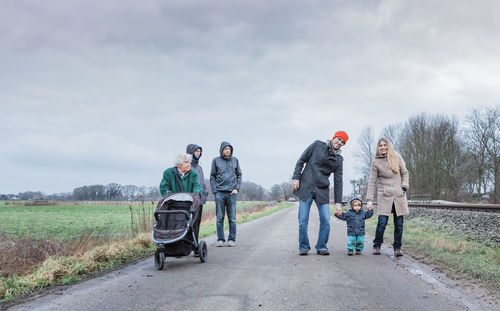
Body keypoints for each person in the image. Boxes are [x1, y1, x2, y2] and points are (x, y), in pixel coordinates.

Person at [292, 130, 348, 256]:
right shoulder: (317, 145)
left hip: (322, 190)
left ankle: (321, 246)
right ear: (334, 138)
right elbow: (301, 160)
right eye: (339, 139)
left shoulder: (338, 160)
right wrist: (296, 178)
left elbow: (338, 181)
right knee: (302, 220)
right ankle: (304, 247)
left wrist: (338, 202)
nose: (339, 142)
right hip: (306, 186)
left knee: (326, 220)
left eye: (343, 142)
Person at [366, 138, 409, 257]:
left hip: (399, 196)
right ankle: (377, 245)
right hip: (385, 196)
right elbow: (372, 181)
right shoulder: (376, 162)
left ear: (388, 146)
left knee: (399, 224)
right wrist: (369, 199)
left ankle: (397, 248)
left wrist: (404, 186)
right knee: (382, 223)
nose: (383, 147)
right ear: (378, 148)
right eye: (380, 145)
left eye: (385, 145)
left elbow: (405, 173)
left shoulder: (397, 157)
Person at [210, 141, 242, 247]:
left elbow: (239, 175)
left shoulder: (235, 160)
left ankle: (232, 239)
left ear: (231, 150)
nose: (227, 150)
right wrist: (215, 191)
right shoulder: (216, 161)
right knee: (220, 218)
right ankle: (220, 239)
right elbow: (212, 177)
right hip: (219, 193)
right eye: (225, 149)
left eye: (229, 148)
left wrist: (237, 188)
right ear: (221, 150)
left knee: (232, 218)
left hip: (231, 193)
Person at [186, 144, 209, 256]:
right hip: (188, 199)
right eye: (196, 151)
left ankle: (195, 245)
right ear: (191, 152)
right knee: (188, 222)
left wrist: (204, 195)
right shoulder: (186, 166)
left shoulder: (199, 168)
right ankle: (184, 245)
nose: (198, 153)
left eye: (200, 151)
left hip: (199, 200)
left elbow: (202, 184)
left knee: (197, 223)